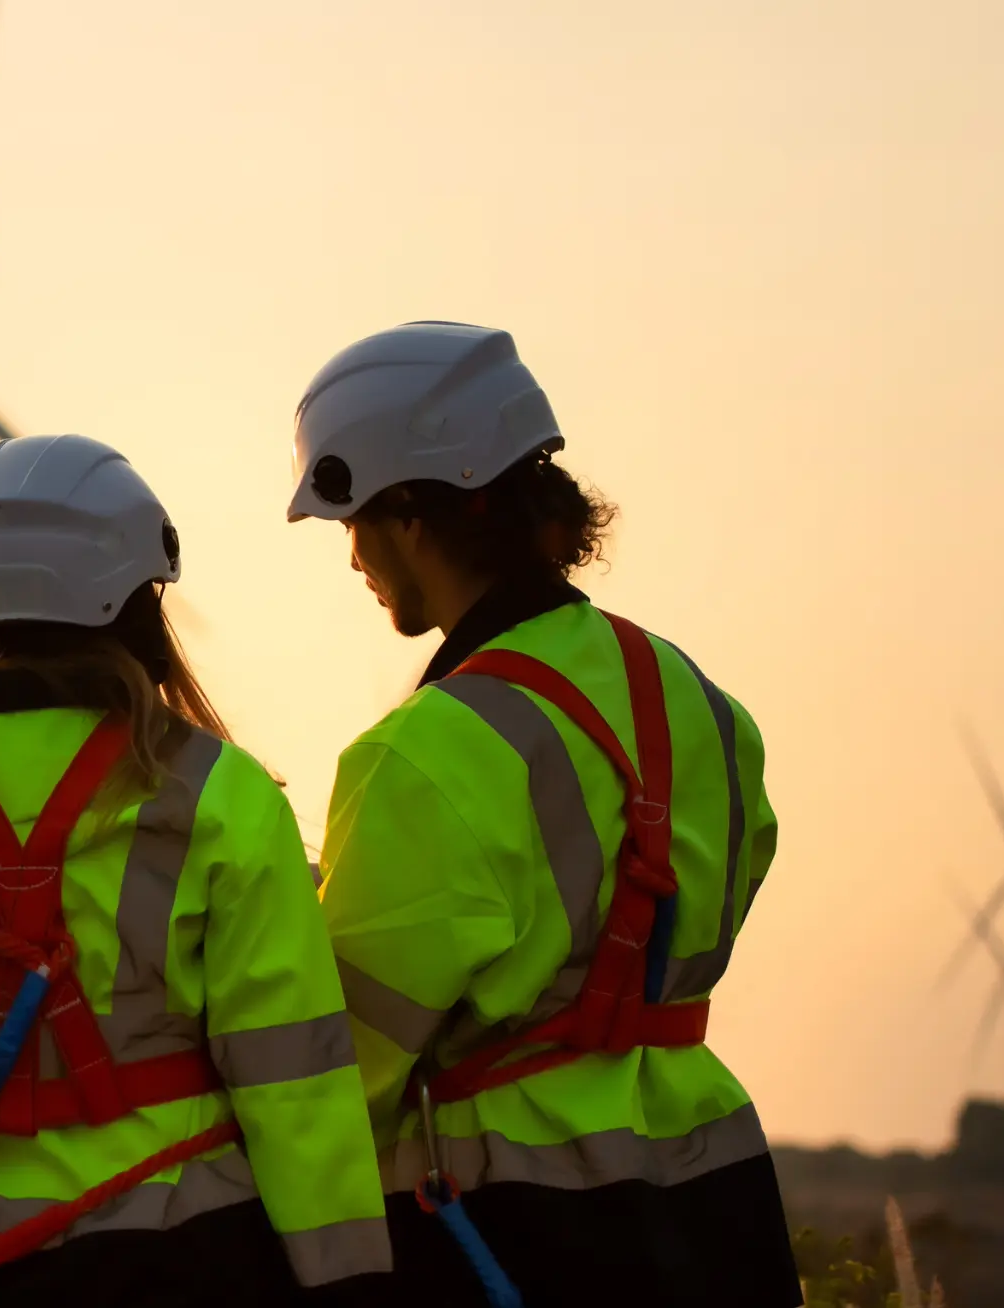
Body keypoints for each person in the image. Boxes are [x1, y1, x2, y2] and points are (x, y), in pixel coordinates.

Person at [0, 433, 392, 1308]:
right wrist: (348, 1285)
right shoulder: (220, 795)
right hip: (195, 1261)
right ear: (137, 601)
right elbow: (296, 1086)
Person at [287, 323, 797, 1308]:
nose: (350, 553)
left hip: (513, 1222)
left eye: (349, 519)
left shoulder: (423, 754)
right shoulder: (700, 702)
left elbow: (341, 1066)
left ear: (406, 512)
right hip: (717, 1197)